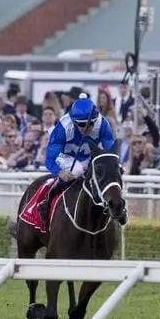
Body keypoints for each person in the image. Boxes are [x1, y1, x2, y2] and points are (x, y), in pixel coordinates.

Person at [38, 94, 115, 225]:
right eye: (81, 124)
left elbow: (110, 150)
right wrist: (59, 172)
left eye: (90, 123)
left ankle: (115, 208)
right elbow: (50, 159)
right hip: (65, 156)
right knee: (77, 169)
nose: (86, 128)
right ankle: (47, 201)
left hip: (88, 157)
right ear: (73, 121)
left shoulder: (102, 124)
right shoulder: (63, 127)